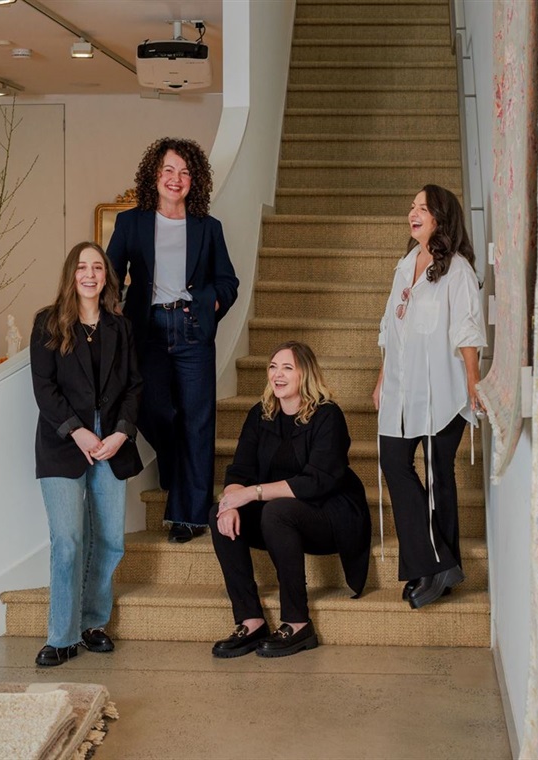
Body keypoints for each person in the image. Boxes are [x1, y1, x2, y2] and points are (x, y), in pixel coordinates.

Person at [106, 137, 239, 544]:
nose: (175, 178)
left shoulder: (207, 227)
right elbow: (111, 276)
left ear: (193, 180)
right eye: (168, 170)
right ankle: (174, 468)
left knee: (198, 421)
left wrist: (207, 305)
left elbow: (228, 282)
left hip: (192, 329)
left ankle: (188, 516)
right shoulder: (131, 223)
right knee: (155, 409)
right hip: (146, 330)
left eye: (184, 172)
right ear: (154, 175)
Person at [209, 341, 371, 658]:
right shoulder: (261, 414)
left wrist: (252, 494)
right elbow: (239, 469)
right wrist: (230, 501)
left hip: (331, 516)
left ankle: (297, 623)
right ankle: (250, 620)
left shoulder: (328, 416)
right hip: (281, 519)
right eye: (273, 367)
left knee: (276, 510)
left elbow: (315, 482)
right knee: (219, 512)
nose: (277, 374)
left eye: (287, 367)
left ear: (304, 375)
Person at [29, 241, 143, 667]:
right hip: (63, 442)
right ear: (70, 275)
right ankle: (61, 637)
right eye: (82, 267)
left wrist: (120, 434)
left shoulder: (120, 326)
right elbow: (45, 389)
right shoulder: (47, 323)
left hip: (111, 440)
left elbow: (134, 386)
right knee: (68, 540)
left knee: (110, 540)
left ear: (106, 276)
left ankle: (93, 623)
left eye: (97, 267)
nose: (90, 274)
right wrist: (76, 431)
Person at [373, 184, 486, 610]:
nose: (413, 213)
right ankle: (436, 562)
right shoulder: (406, 265)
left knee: (438, 475)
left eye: (423, 207)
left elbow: (467, 329)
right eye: (412, 207)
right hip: (404, 388)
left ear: (441, 216)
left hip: (444, 388)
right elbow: (393, 327)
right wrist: (385, 376)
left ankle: (437, 568)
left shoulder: (456, 270)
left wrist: (473, 382)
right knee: (394, 462)